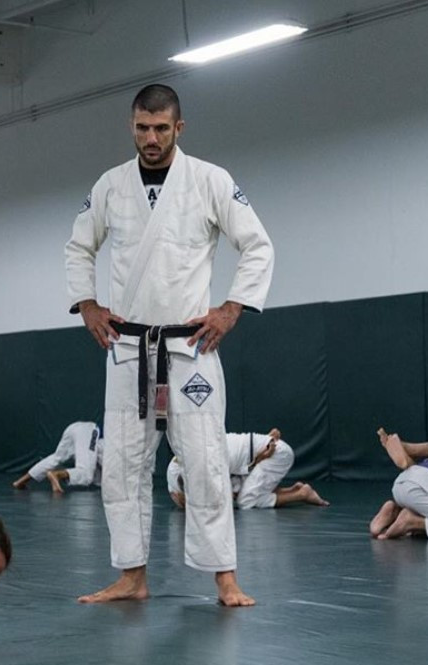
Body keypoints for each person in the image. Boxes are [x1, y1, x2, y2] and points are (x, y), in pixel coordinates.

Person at [64, 84, 274, 606]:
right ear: (131, 126)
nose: (151, 137)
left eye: (161, 128)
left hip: (190, 349)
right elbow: (77, 247)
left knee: (203, 461)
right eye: (142, 127)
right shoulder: (111, 185)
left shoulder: (209, 180)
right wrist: (87, 304)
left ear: (179, 127)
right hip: (128, 346)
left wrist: (232, 308)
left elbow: (257, 245)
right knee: (122, 465)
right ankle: (132, 576)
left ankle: (224, 576)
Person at [166, 428, 328, 509]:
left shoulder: (210, 459)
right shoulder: (176, 470)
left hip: (276, 454)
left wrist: (259, 457)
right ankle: (294, 490)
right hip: (265, 453)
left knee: (245, 501)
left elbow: (225, 497)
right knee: (242, 489)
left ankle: (301, 494)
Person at [12, 421, 102, 494]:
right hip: (89, 431)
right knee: (86, 473)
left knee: (56, 458)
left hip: (75, 427)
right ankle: (57, 475)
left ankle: (20, 481)